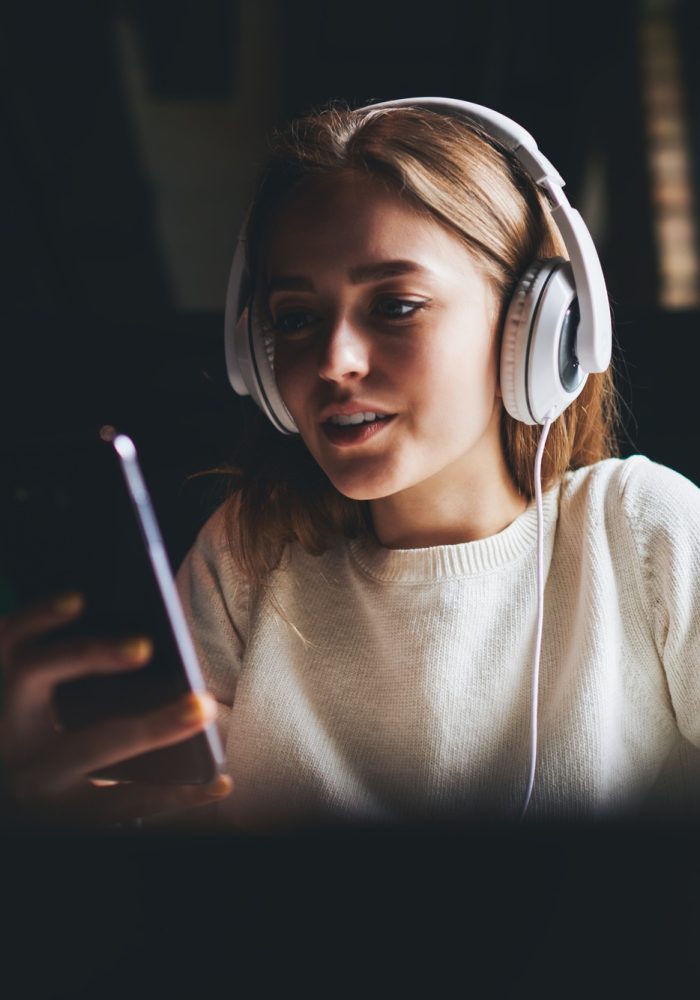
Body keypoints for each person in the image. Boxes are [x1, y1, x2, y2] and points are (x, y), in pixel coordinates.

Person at [2, 97, 700, 831]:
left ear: (540, 327)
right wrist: (55, 817)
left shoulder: (644, 533)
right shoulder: (246, 560)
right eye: (297, 318)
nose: (333, 362)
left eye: (396, 305)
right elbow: (161, 863)